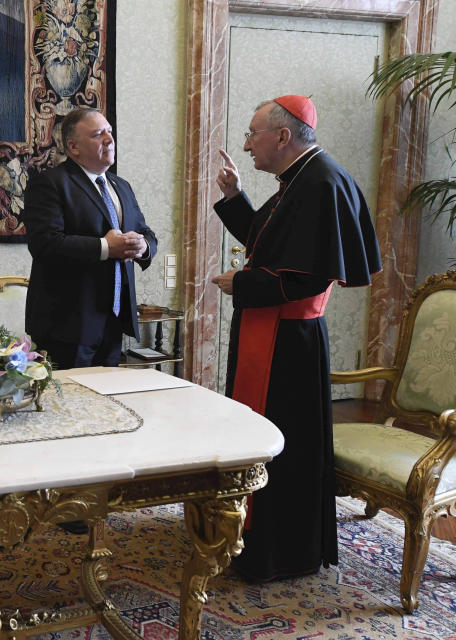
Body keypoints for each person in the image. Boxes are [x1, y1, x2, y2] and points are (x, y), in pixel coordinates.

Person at [212, 95, 382, 582]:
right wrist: (234, 198)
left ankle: (278, 551)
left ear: (282, 136)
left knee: (282, 444)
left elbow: (305, 278)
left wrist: (239, 284)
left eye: (252, 134)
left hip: (290, 343)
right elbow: (271, 246)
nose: (246, 145)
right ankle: (252, 537)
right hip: (275, 333)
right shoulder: (300, 180)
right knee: (263, 437)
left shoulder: (320, 182)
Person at [24, 107, 157, 370]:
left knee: (106, 404)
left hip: (113, 322)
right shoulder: (50, 184)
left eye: (109, 131)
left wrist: (142, 247)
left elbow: (147, 234)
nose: (109, 139)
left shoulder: (121, 186)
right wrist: (107, 247)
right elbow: (45, 244)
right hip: (67, 325)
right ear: (73, 147)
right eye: (99, 134)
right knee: (68, 407)